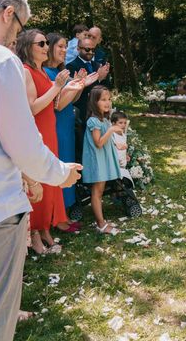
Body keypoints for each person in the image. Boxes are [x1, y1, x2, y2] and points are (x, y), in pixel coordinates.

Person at [0, 0, 80, 341]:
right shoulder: (2, 63)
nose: (14, 40)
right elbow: (20, 142)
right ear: (8, 13)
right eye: (16, 31)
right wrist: (58, 174)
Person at [17, 30, 83, 254]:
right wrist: (57, 87)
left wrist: (73, 86)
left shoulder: (43, 72)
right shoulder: (26, 72)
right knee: (37, 178)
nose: (47, 46)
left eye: (47, 42)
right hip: (37, 131)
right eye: (41, 43)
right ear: (28, 47)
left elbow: (54, 102)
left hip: (50, 129)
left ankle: (45, 229)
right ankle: (35, 233)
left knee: (48, 182)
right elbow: (32, 107)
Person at [44, 32, 97, 232]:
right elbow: (57, 105)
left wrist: (78, 86)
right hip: (56, 125)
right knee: (59, 166)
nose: (65, 50)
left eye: (66, 46)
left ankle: (62, 213)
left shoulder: (61, 71)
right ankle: (55, 218)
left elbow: (71, 101)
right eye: (60, 46)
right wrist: (79, 84)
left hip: (67, 123)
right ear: (48, 48)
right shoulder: (47, 73)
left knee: (67, 164)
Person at [81, 86, 123, 235]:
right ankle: (101, 224)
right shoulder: (93, 121)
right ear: (94, 102)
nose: (108, 102)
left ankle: (102, 221)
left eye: (109, 99)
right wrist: (111, 130)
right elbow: (98, 143)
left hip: (102, 160)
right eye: (103, 99)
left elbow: (107, 141)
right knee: (97, 192)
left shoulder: (103, 119)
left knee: (100, 191)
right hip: (96, 161)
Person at [66, 37, 110, 162]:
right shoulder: (71, 66)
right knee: (83, 145)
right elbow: (77, 89)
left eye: (93, 49)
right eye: (87, 49)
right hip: (82, 111)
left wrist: (103, 78)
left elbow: (105, 89)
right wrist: (98, 78)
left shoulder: (97, 65)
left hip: (99, 113)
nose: (90, 52)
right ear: (78, 49)